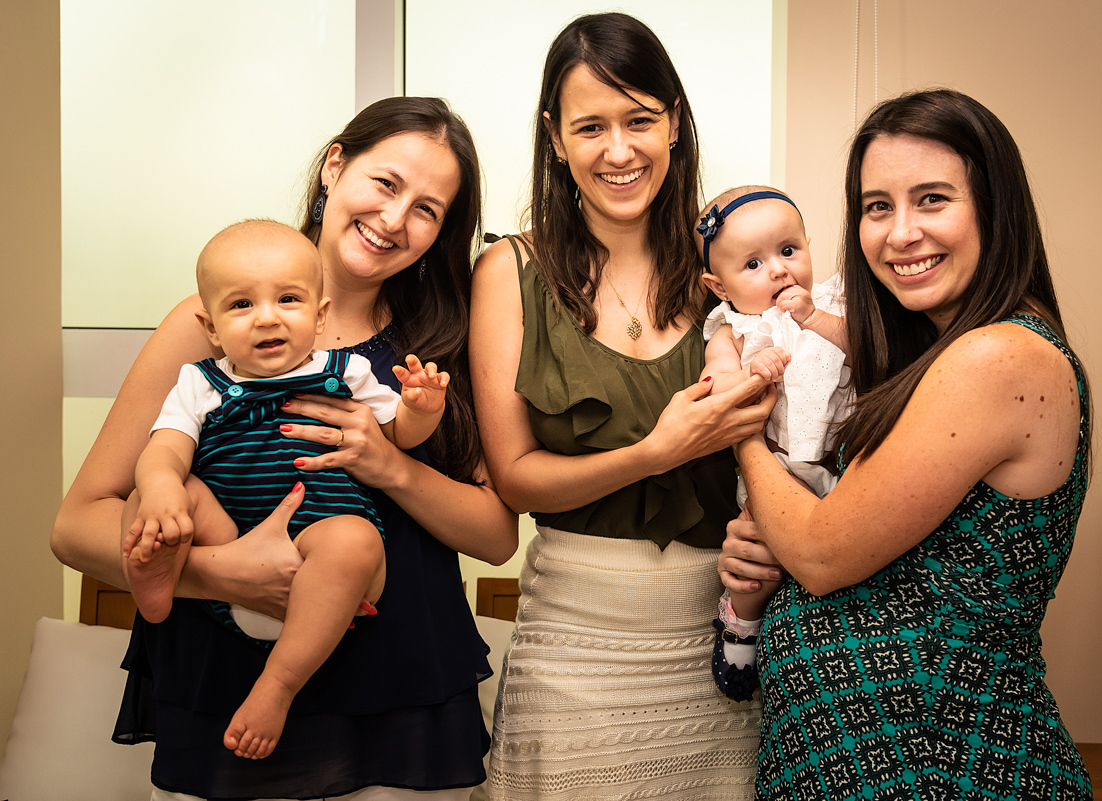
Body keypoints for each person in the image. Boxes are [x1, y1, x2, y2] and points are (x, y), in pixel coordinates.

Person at [51, 97, 518, 800]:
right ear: (335, 165)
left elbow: (495, 536)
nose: (394, 219)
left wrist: (388, 464)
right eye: (385, 184)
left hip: (402, 690)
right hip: (228, 689)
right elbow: (76, 524)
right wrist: (220, 572)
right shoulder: (205, 327)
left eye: (427, 208)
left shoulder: (440, 342)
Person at [717, 89, 1093, 799]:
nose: (900, 233)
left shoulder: (998, 357)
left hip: (937, 763)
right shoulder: (933, 354)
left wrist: (744, 436)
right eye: (877, 206)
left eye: (932, 199)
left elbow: (825, 552)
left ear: (994, 207)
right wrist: (766, 536)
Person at [470, 13, 774, 801]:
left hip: (723, 646)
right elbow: (515, 478)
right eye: (590, 126)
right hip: (572, 649)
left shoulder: (732, 264)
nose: (618, 150)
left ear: (674, 121)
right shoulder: (509, 270)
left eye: (640, 119)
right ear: (555, 136)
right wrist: (655, 452)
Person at [122, 219, 452, 760]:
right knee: (159, 493)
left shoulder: (346, 372)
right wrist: (161, 491)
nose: (267, 317)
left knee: (355, 539)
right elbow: (164, 447)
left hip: (326, 564)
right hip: (231, 557)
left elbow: (397, 436)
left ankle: (275, 687)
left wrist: (420, 409)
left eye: (288, 299)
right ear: (210, 326)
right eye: (241, 305)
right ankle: (159, 570)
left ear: (320, 316)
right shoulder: (201, 382)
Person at [693, 186, 851, 699]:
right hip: (773, 471)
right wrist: (750, 375)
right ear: (719, 286)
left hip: (841, 466)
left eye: (788, 251)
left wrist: (814, 319)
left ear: (809, 244)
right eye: (754, 264)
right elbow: (714, 389)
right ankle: (742, 625)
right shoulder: (732, 329)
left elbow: (872, 353)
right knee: (755, 559)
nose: (780, 270)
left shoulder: (834, 301)